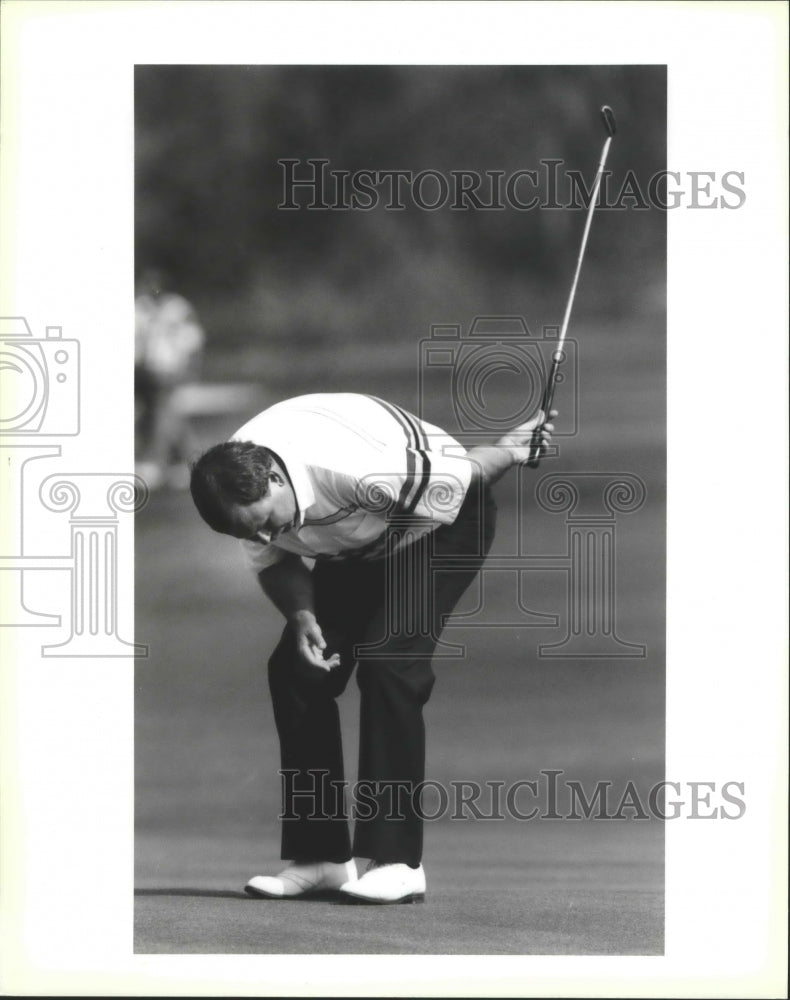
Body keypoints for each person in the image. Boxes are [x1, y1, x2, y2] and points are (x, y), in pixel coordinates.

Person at [189, 392, 555, 904]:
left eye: (267, 520)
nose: (269, 533)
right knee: (297, 670)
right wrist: (302, 615)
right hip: (355, 539)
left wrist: (509, 449)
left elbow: (467, 476)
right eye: (253, 530)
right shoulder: (240, 493)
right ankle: (321, 859)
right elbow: (275, 559)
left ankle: (398, 861)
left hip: (439, 522)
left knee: (389, 661)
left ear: (276, 478)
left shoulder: (356, 469)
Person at [135, 269, 205, 489]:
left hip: (171, 369)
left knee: (161, 410)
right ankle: (188, 461)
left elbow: (193, 341)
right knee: (165, 413)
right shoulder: (139, 307)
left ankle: (152, 461)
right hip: (144, 370)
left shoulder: (178, 309)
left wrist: (191, 371)